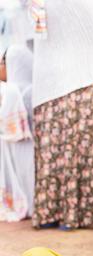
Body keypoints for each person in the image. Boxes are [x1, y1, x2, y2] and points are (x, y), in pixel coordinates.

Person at [30, 0, 93, 230]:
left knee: (53, 149)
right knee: (76, 148)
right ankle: (78, 212)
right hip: (81, 79)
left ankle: (51, 211)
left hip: (51, 81)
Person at [0, 45, 34, 222]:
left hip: (18, 144)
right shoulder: (33, 89)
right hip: (29, 144)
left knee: (23, 175)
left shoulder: (11, 90)